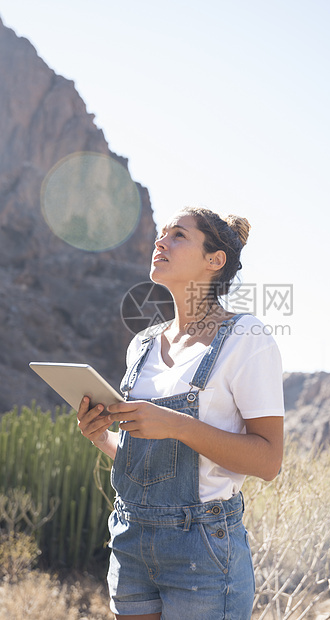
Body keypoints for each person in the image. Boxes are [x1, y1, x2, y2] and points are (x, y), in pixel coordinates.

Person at [77, 207, 284, 620]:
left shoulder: (246, 338)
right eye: (161, 234)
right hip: (131, 539)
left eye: (178, 235)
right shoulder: (143, 344)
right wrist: (102, 437)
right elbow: (153, 465)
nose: (160, 242)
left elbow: (268, 460)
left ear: (214, 260)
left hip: (203, 551)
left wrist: (177, 425)